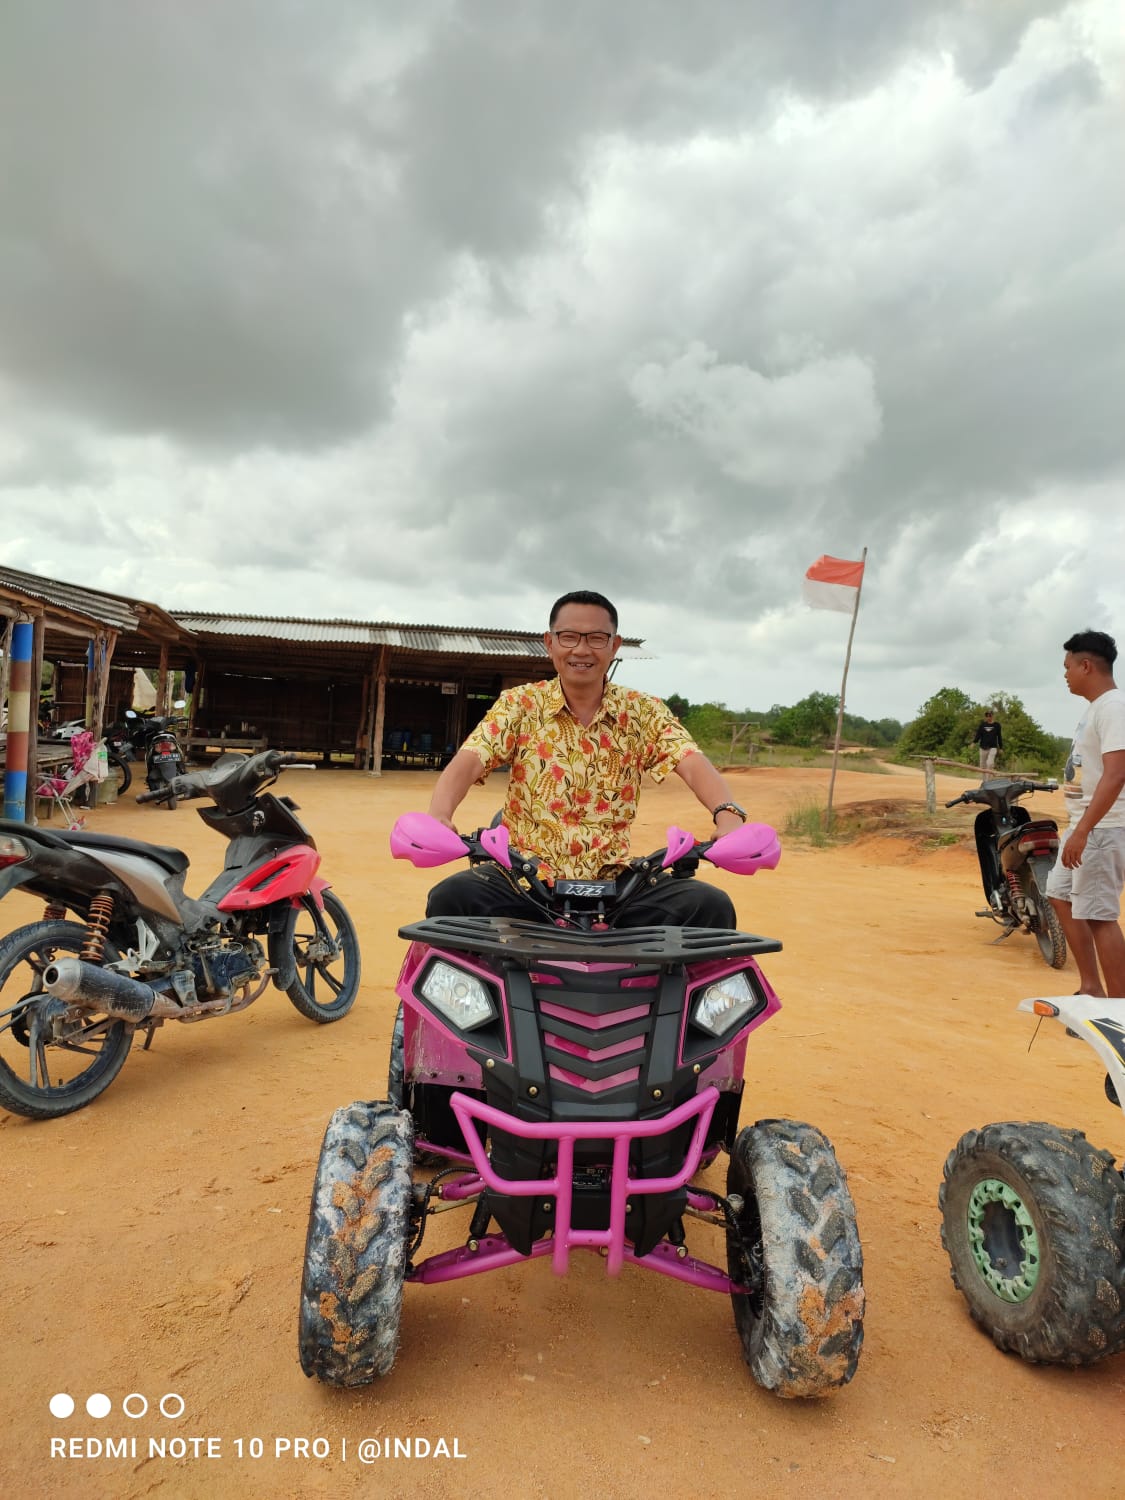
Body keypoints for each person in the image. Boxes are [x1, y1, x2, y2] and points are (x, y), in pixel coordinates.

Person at [425, 590, 747, 928]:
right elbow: (470, 760)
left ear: (615, 645)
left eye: (596, 638)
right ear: (550, 643)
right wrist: (439, 815)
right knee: (452, 898)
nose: (581, 649)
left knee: (710, 907)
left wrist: (728, 815)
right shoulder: (519, 704)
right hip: (523, 879)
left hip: (618, 885)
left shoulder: (643, 710)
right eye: (568, 637)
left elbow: (691, 762)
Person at [1044, 630, 1125, 999]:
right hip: (1084, 826)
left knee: (1098, 915)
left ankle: (1120, 1011)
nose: (1065, 675)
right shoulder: (1094, 709)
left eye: (1068, 667)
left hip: (1102, 829)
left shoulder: (1113, 707)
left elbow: (1117, 773)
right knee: (1059, 894)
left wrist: (1084, 831)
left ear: (1086, 665)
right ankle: (1091, 989)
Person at [972, 710, 1002, 775]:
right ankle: (984, 781)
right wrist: (974, 742)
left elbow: (999, 736)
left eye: (990, 716)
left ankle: (989, 780)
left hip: (993, 747)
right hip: (983, 747)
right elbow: (978, 735)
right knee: (982, 766)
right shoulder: (982, 725)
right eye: (987, 716)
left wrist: (1001, 747)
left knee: (989, 763)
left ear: (993, 716)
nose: (988, 717)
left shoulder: (997, 725)